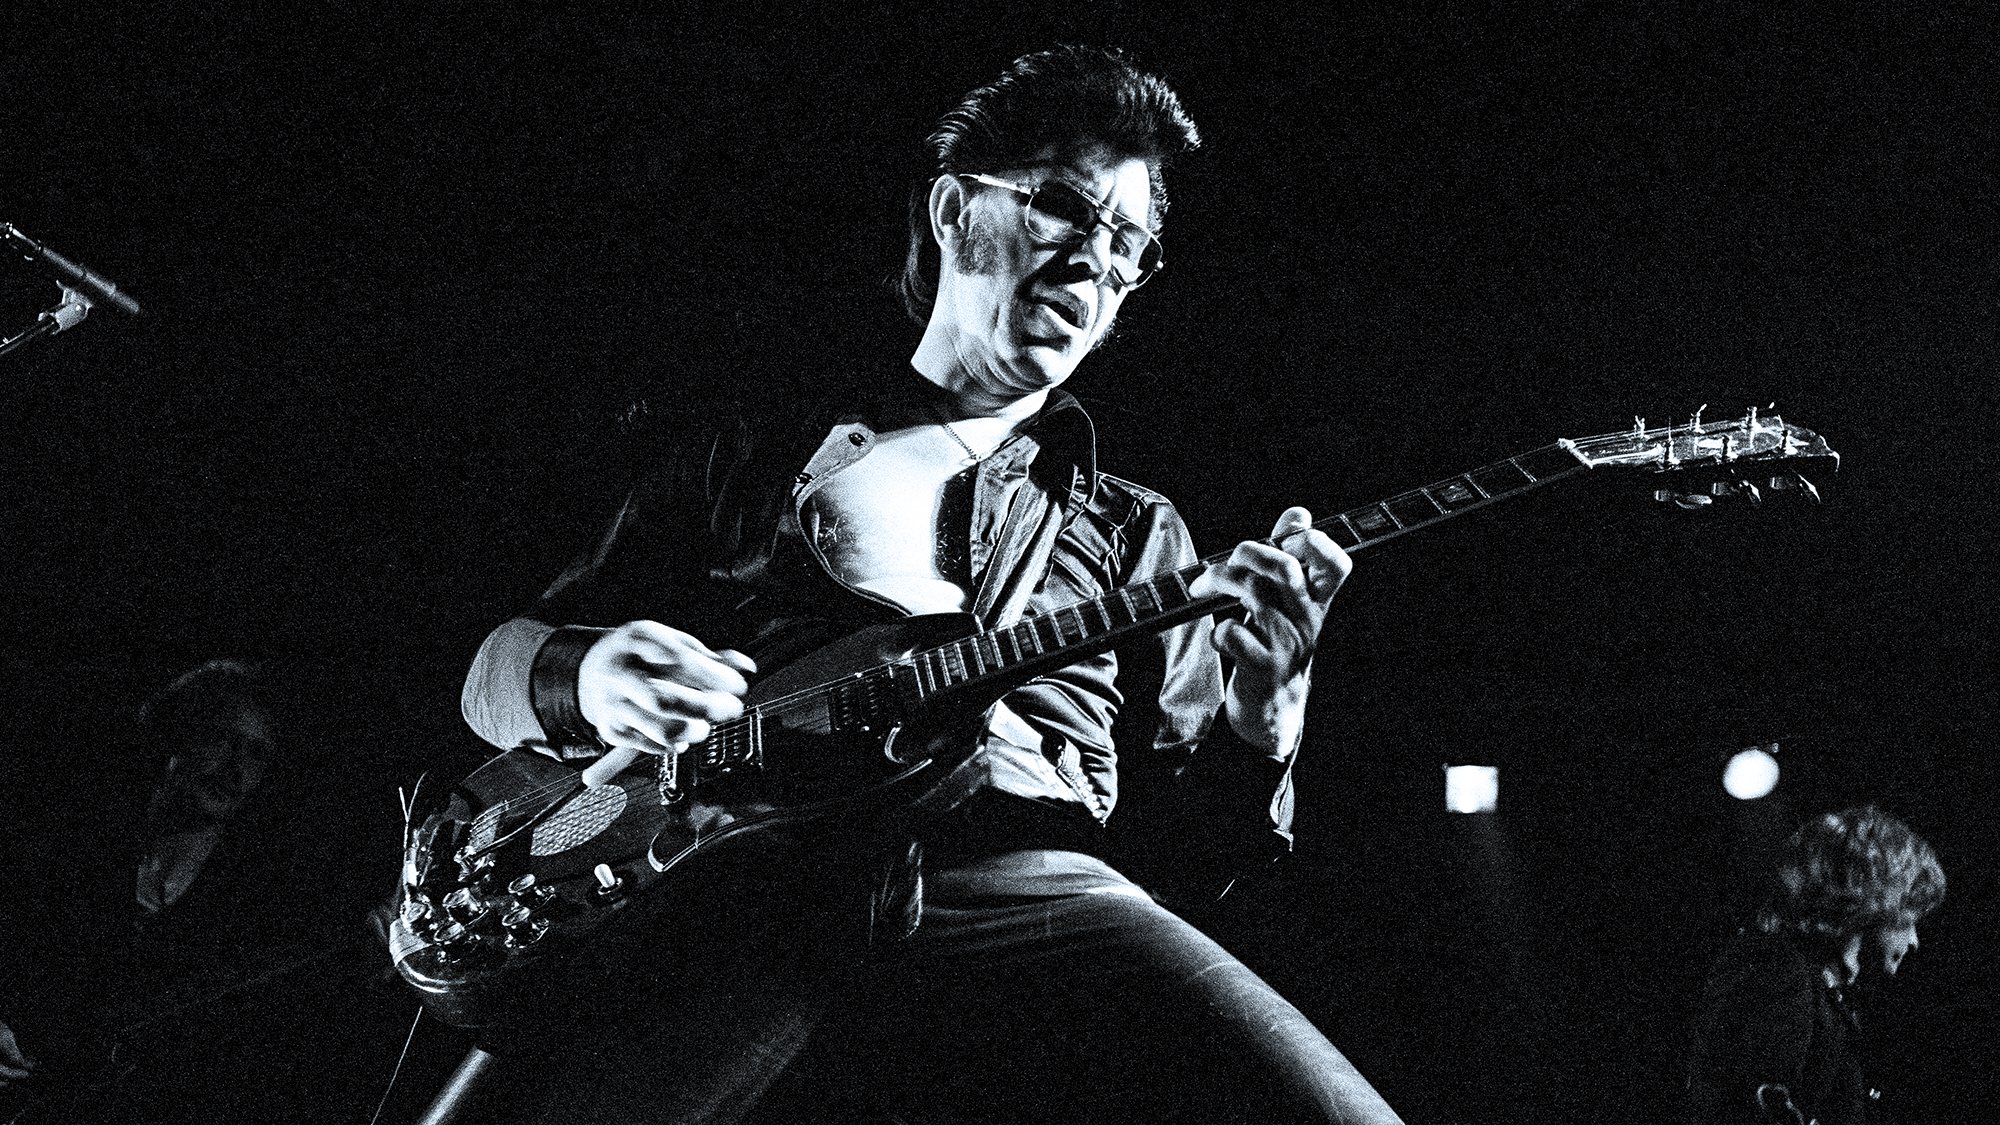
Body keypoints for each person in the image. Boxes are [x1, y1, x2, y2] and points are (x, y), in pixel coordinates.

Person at [458, 45, 1404, 1124]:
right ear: (954, 211)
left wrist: (1264, 721)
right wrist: (588, 676)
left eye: (1128, 245)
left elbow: (1194, 867)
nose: (1095, 261)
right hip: (740, 885)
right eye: (1065, 208)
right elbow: (491, 673)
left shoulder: (1139, 533)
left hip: (1022, 884)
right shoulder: (754, 448)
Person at [1688, 805, 1946, 1125]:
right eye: (1910, 918)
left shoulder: (1826, 994)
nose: (1914, 941)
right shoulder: (1778, 971)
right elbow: (1745, 1106)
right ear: (1874, 900)